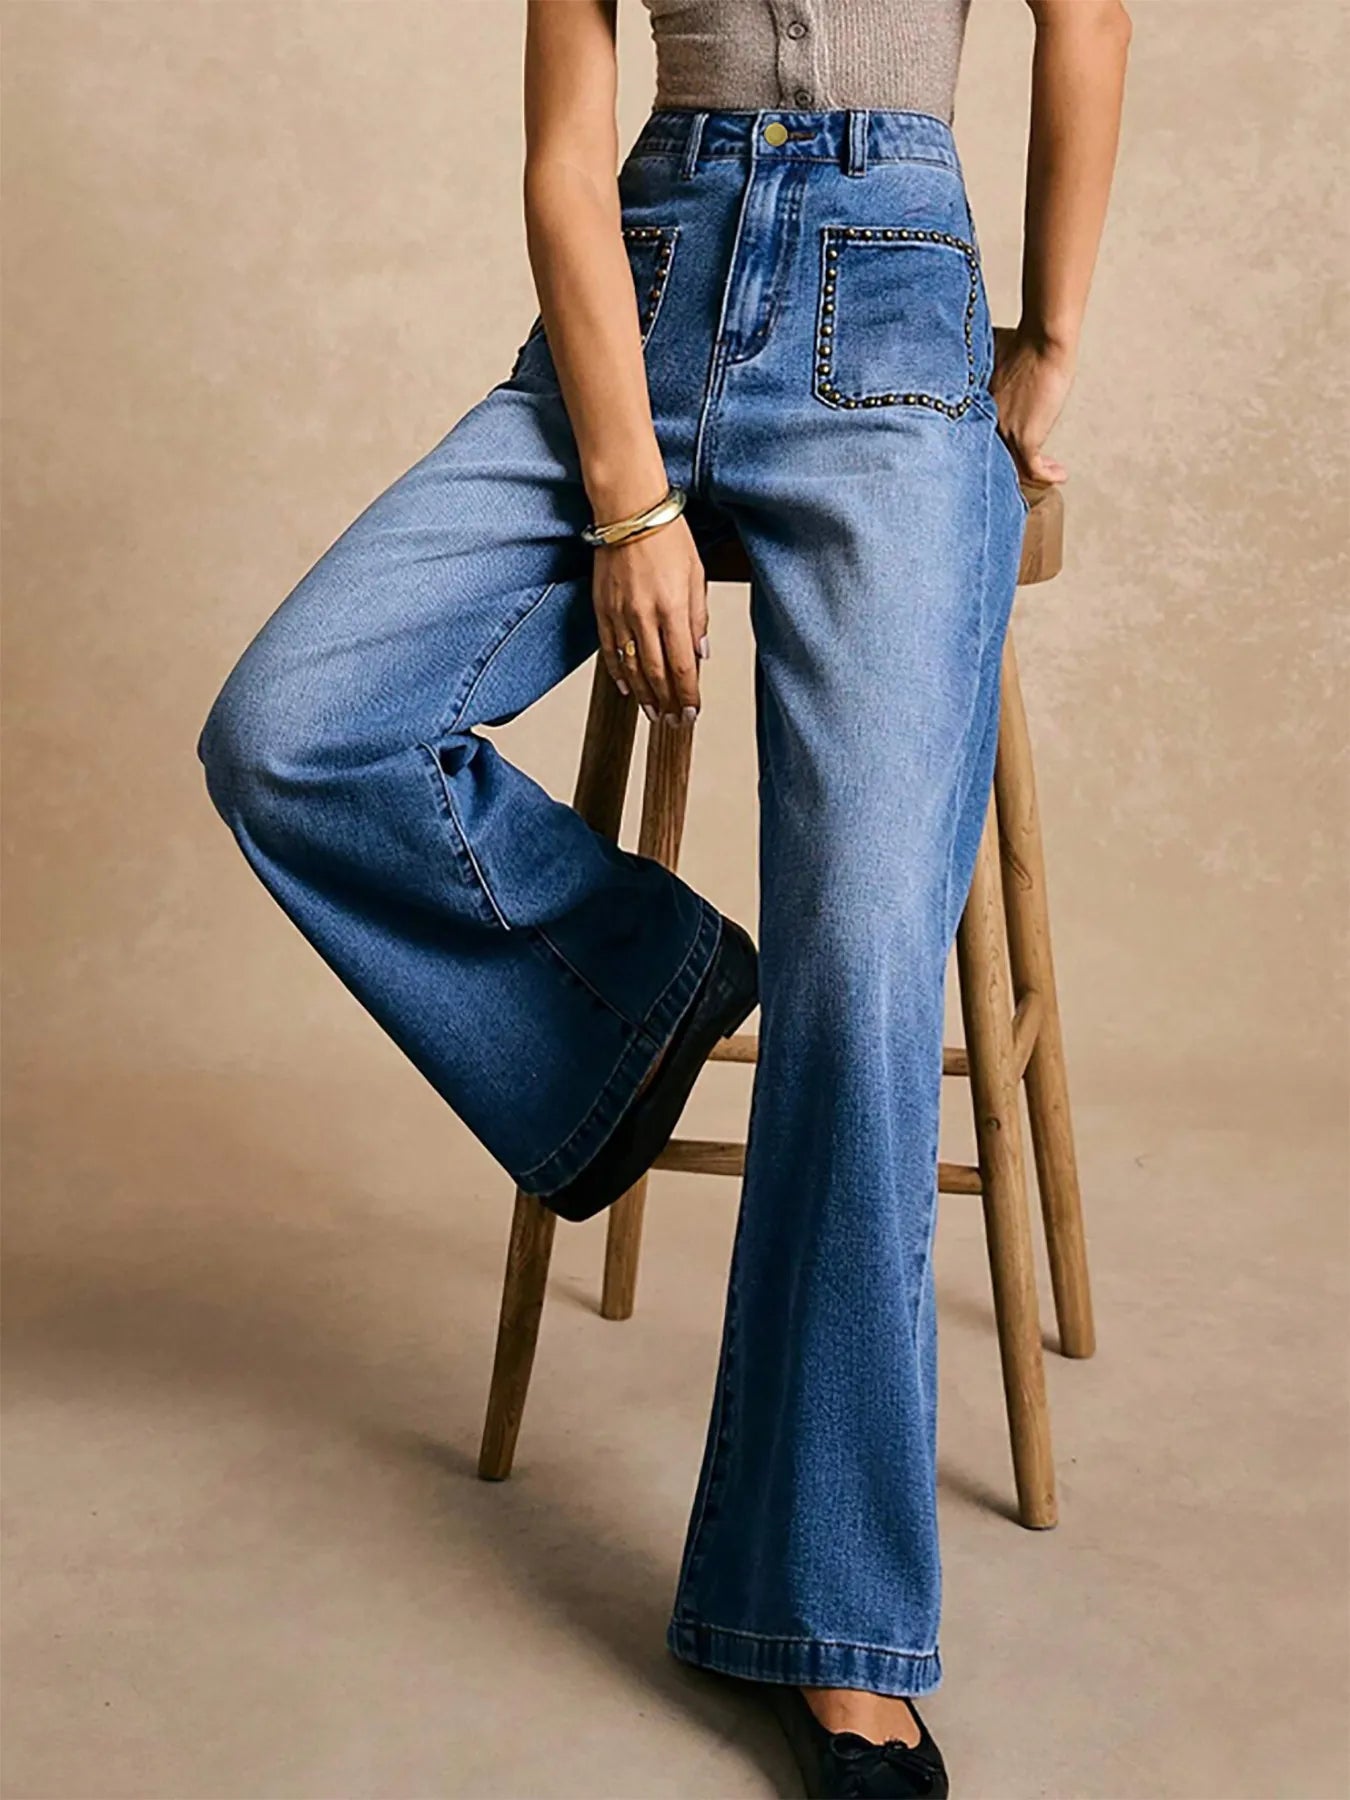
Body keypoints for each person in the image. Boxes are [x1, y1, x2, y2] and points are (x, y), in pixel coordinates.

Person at [198, 0, 1130, 1791]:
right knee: (295, 729)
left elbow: (1081, 20)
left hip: (892, 326)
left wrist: (1054, 341)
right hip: (636, 289)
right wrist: (627, 499)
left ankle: (829, 1629)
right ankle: (643, 997)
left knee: (862, 979)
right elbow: (561, 142)